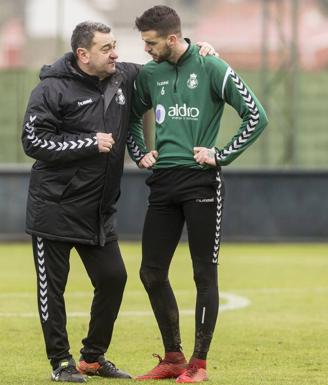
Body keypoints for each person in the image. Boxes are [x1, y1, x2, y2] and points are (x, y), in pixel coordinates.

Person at [21, 21, 218, 383]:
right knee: (53, 290)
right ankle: (61, 362)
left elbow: (168, 65)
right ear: (83, 55)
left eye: (115, 45)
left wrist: (198, 51)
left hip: (98, 212)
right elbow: (33, 142)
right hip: (55, 208)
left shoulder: (125, 76)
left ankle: (92, 358)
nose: (116, 53)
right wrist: (87, 142)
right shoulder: (51, 89)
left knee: (114, 279)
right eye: (106, 48)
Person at [127, 5, 268, 383]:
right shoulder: (149, 74)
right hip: (163, 183)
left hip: (201, 181)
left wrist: (221, 155)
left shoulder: (211, 66)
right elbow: (128, 120)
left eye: (151, 43)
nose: (146, 50)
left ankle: (198, 364)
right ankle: (173, 357)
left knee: (204, 273)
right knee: (151, 272)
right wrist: (140, 153)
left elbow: (256, 116)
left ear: (172, 38)